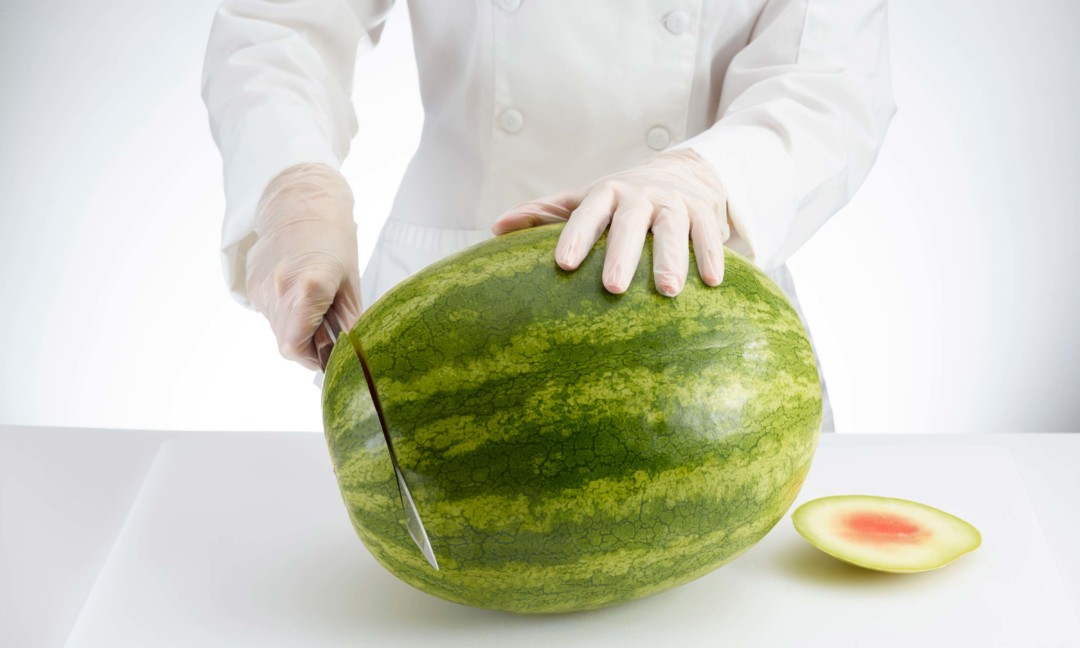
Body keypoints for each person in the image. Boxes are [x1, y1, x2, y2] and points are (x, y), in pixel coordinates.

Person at [202, 1, 896, 433]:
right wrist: (292, 185)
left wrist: (708, 178)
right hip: (446, 313)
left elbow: (831, 80)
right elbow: (276, 24)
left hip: (707, 315)